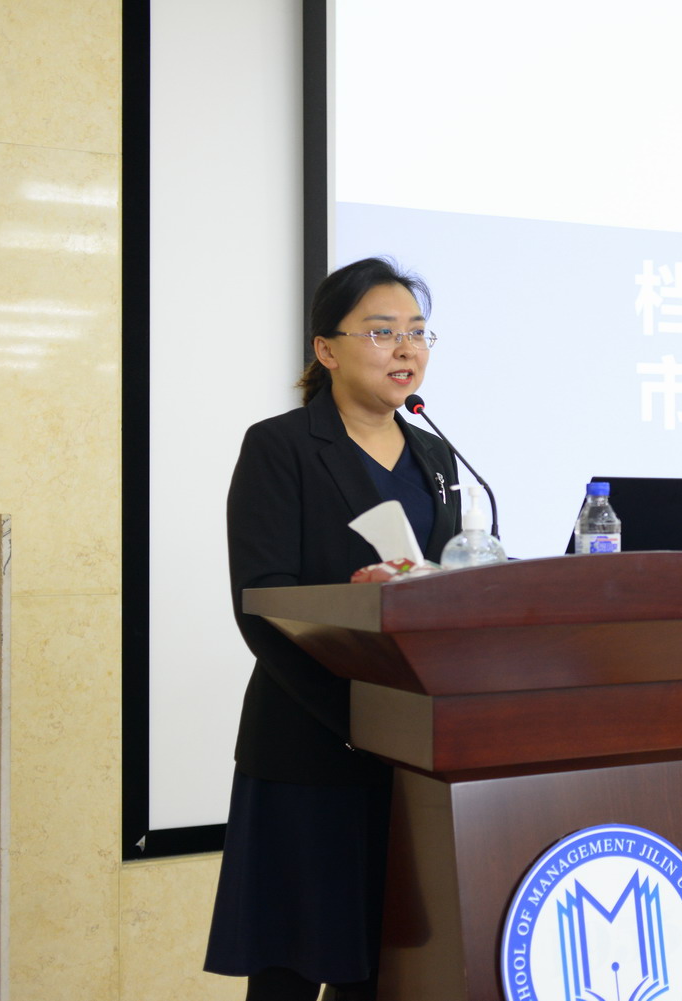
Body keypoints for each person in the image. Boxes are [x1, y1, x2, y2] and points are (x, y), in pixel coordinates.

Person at [205, 257, 462, 1001]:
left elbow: (452, 583)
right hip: (310, 740)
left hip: (412, 752)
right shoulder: (280, 446)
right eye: (382, 331)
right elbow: (262, 601)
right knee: (290, 967)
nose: (405, 348)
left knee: (387, 964)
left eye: (417, 332)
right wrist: (355, 716)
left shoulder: (437, 456)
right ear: (327, 349)